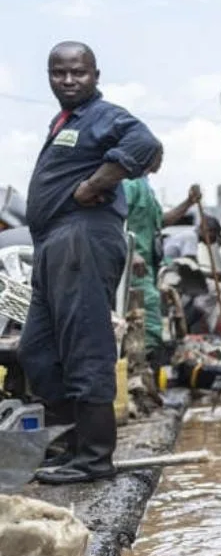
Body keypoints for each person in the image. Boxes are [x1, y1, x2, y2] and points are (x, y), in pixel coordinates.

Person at [23, 41, 161, 485]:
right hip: (53, 246)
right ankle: (67, 446)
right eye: (59, 73)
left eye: (78, 73)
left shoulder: (103, 115)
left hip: (82, 238)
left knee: (85, 348)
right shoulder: (66, 121)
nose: (68, 80)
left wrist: (94, 184)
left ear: (95, 76)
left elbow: (146, 144)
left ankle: (94, 459)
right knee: (38, 352)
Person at [122, 151, 199, 368]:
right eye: (159, 155)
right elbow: (115, 218)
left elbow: (161, 222)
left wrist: (188, 202)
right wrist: (131, 251)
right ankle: (143, 375)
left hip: (148, 269)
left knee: (150, 324)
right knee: (149, 327)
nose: (161, 160)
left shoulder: (146, 188)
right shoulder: (130, 185)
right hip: (133, 270)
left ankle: (148, 378)